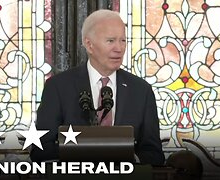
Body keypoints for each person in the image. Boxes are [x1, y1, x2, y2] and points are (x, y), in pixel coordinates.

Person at [30, 9, 165, 165]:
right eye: (110, 41)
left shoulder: (141, 90)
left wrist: (129, 159)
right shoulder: (58, 87)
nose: (119, 48)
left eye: (123, 40)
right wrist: (87, 155)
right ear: (89, 44)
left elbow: (154, 154)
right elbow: (41, 149)